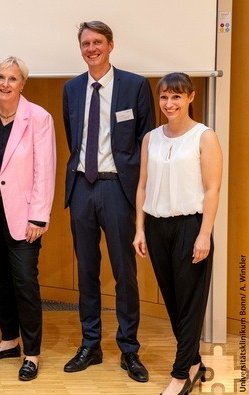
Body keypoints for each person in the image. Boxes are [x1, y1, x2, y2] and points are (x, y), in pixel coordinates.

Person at [62, 20, 155, 382]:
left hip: (118, 189)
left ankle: (129, 350)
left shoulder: (135, 85)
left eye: (97, 42)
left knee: (124, 274)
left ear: (111, 45)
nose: (91, 49)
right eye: (86, 43)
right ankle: (91, 345)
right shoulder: (71, 89)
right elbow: (75, 137)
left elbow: (146, 140)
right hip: (82, 188)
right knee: (86, 272)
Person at [133, 73, 222, 395]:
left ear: (191, 97)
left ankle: (180, 375)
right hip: (157, 227)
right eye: (164, 97)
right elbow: (142, 185)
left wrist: (204, 235)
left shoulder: (204, 136)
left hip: (191, 226)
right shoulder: (151, 138)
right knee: (173, 302)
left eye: (176, 97)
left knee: (190, 303)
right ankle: (195, 363)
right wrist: (140, 229)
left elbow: (212, 189)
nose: (169, 104)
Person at [0, 56, 56, 381]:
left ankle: (31, 354)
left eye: (12, 78)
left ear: (23, 83)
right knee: (0, 282)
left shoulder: (38, 118)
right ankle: (9, 341)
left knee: (24, 283)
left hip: (23, 217)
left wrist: (39, 216)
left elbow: (44, 170)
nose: (4, 84)